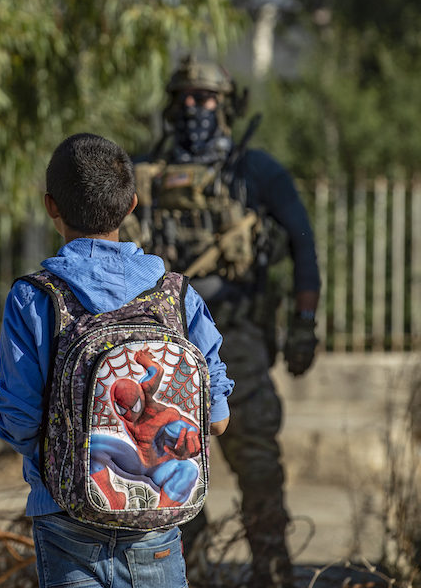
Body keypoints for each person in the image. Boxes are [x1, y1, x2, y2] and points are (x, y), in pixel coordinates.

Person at [0, 133, 233, 588]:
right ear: (131, 205)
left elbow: (21, 421)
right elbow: (217, 419)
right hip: (157, 523)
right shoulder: (177, 296)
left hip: (64, 515)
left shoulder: (34, 297)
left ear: (51, 206)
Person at [130, 55, 320, 587]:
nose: (195, 107)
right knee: (164, 464)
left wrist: (305, 321)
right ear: (171, 106)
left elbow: (303, 246)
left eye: (206, 97)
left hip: (237, 335)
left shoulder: (256, 171)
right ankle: (190, 568)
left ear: (227, 104)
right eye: (186, 97)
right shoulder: (144, 172)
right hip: (163, 339)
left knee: (255, 456)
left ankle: (271, 567)